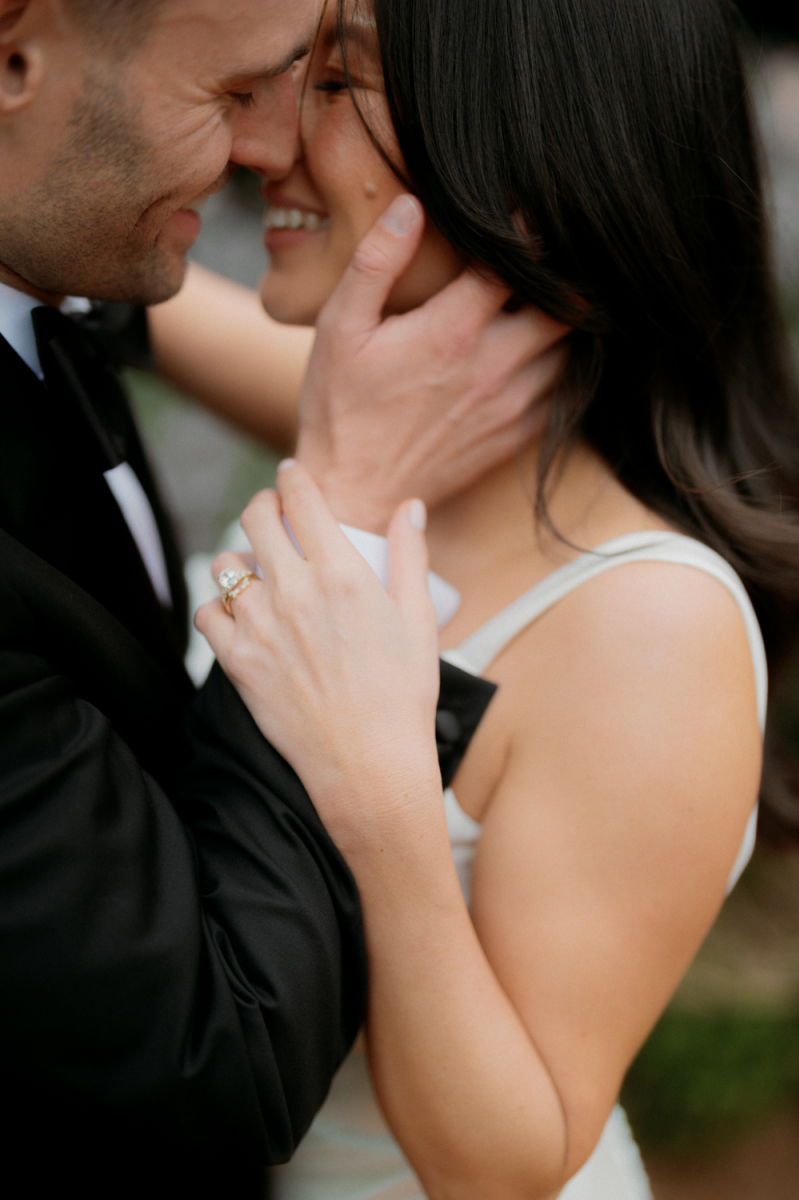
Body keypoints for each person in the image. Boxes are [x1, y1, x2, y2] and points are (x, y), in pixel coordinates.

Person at [154, 0, 799, 1196]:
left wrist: (383, 799)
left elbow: (509, 1158)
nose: (263, 140)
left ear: (532, 173)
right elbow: (142, 307)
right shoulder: (374, 429)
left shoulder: (645, 625)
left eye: (337, 86)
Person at [0, 1, 564, 1197]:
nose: (269, 150)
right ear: (13, 57)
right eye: (235, 90)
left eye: (328, 84)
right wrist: (343, 506)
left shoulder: (56, 263)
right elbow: (212, 1057)